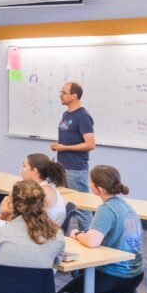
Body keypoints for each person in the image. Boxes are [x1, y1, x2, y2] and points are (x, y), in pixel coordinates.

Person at [60, 165, 144, 293]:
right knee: (85, 270)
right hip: (135, 274)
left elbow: (92, 241)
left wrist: (77, 234)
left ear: (98, 188)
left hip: (116, 276)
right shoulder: (124, 205)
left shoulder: (106, 209)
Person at [51, 81, 95, 228]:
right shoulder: (66, 113)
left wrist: (65, 148)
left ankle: (88, 238)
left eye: (64, 93)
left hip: (75, 169)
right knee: (62, 204)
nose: (60, 95)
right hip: (62, 167)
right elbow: (71, 137)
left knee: (82, 207)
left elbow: (90, 144)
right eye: (61, 92)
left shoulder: (83, 116)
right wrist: (58, 145)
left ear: (74, 96)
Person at [0, 153, 67, 225]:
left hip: (44, 232)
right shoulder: (44, 186)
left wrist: (4, 211)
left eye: (24, 166)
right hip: (40, 228)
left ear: (34, 171)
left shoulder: (42, 192)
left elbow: (22, 217)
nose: (21, 169)